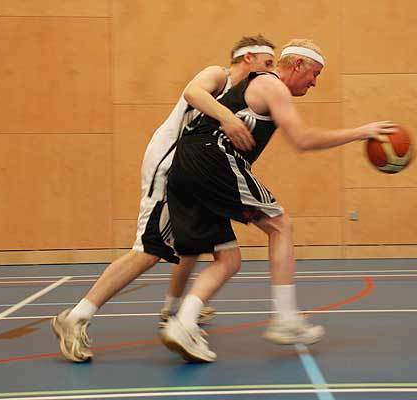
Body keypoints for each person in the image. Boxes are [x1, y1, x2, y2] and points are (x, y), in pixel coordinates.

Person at [161, 39, 397, 362]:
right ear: (297, 64)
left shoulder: (258, 86)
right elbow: (302, 139)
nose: (314, 83)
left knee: (228, 260)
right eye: (314, 74)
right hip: (212, 157)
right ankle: (285, 319)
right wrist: (360, 132)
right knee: (280, 226)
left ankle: (183, 324)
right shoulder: (271, 85)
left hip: (185, 166)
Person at [51, 35, 276, 362]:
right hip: (169, 166)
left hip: (195, 174)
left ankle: (177, 312)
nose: (269, 71)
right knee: (148, 249)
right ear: (248, 58)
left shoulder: (245, 95)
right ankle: (75, 317)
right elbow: (192, 92)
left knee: (200, 248)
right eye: (267, 63)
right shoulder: (218, 75)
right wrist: (228, 119)